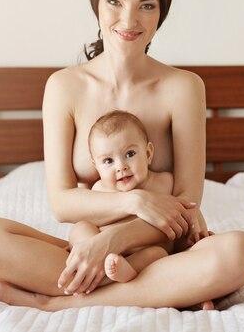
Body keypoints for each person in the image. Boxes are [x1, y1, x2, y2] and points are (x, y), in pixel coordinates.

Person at [0, 0, 244, 311]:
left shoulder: (183, 88)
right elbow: (62, 202)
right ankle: (163, 290)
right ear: (97, 5)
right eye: (115, 2)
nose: (129, 20)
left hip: (159, 250)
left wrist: (114, 241)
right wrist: (132, 203)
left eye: (146, 5)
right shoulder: (64, 87)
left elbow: (185, 205)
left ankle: (59, 303)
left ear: (161, 13)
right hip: (90, 246)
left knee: (241, 251)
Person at [70, 110, 174, 286]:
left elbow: (186, 209)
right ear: (96, 167)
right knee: (80, 228)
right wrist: (83, 241)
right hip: (100, 252)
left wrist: (195, 233)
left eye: (130, 154)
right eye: (108, 161)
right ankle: (87, 260)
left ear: (148, 154)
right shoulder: (98, 190)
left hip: (143, 254)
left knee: (158, 254)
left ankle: (118, 274)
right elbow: (89, 218)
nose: (121, 167)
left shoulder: (164, 183)